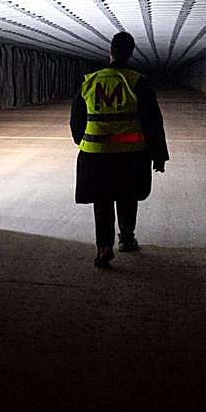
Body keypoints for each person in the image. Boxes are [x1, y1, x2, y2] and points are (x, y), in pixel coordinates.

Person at [70, 32, 169, 268]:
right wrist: (158, 154)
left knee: (101, 200)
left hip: (96, 153)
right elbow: (152, 121)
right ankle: (126, 238)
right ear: (131, 52)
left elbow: (76, 119)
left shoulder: (90, 81)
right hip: (131, 154)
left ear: (110, 52)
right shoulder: (138, 82)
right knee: (127, 196)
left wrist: (82, 141)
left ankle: (104, 247)